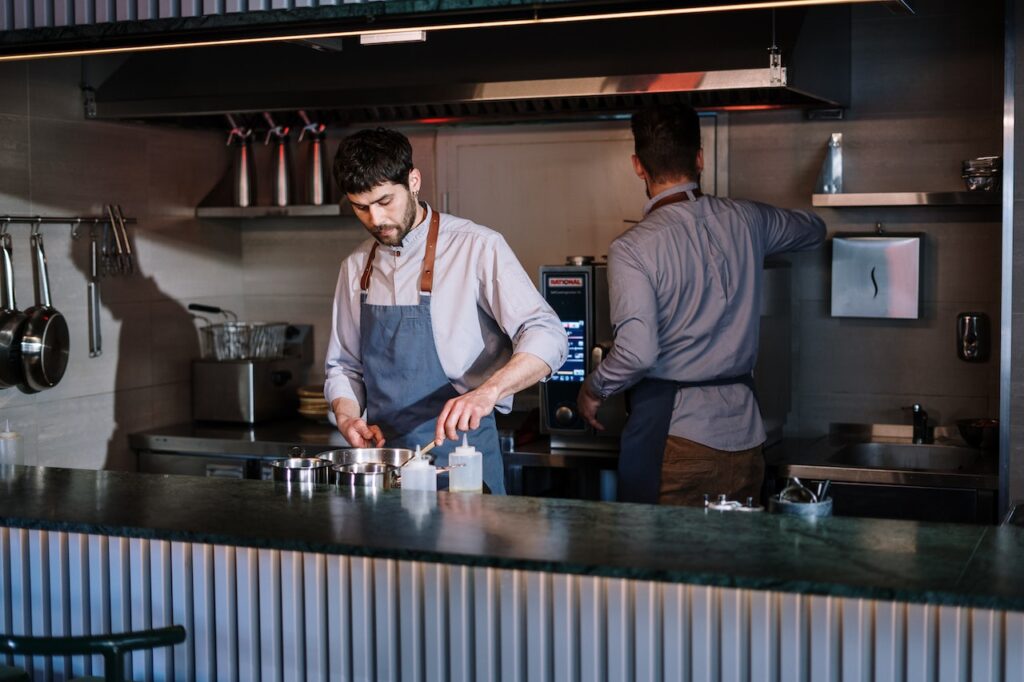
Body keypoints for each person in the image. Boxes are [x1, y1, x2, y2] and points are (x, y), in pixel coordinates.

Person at [577, 104, 826, 506]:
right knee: (732, 566)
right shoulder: (748, 220)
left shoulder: (632, 249)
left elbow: (638, 353)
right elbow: (814, 230)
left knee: (662, 566)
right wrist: (756, 239)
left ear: (638, 166)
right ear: (699, 158)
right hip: (747, 440)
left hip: (676, 441)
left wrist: (593, 389)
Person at [325, 127, 568, 494]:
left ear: (414, 180)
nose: (376, 220)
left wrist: (487, 392)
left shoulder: (477, 247)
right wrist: (346, 416)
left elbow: (547, 333)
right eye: (361, 207)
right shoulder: (355, 267)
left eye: (385, 201)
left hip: (462, 457)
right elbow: (343, 365)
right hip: (385, 465)